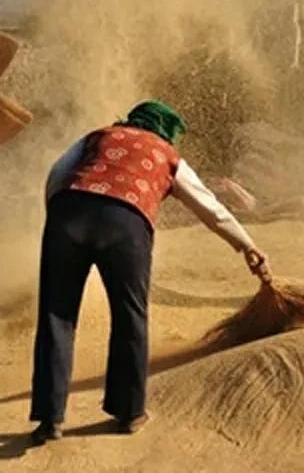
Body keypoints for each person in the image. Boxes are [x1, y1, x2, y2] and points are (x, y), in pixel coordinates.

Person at [29, 100, 269, 445]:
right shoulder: (167, 154)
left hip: (67, 214)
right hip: (125, 225)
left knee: (57, 316)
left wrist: (60, 216)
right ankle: (129, 413)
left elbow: (56, 173)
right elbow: (210, 208)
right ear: (167, 132)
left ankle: (49, 421)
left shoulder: (99, 135)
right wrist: (246, 245)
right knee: (130, 316)